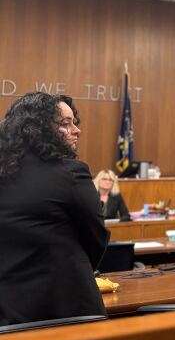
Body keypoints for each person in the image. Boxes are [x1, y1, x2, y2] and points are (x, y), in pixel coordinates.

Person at [0, 92, 109, 325]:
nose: (76, 130)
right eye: (65, 124)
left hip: (9, 313)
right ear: (38, 129)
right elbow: (96, 239)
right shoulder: (71, 172)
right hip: (68, 309)